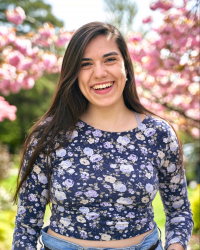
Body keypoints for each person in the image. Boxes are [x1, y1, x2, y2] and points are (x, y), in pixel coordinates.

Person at [12, 22, 193, 250]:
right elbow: (26, 228)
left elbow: (179, 211)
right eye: (85, 64)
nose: (99, 73)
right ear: (74, 74)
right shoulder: (50, 135)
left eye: (109, 60)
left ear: (126, 66)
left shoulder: (158, 133)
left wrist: (176, 246)